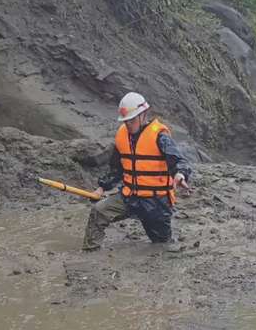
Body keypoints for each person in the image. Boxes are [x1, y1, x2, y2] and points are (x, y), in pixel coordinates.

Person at [82, 92, 192, 251]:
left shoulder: (160, 137)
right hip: (129, 197)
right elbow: (117, 169)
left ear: (143, 115)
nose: (128, 125)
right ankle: (89, 252)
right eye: (125, 121)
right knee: (99, 211)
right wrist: (102, 187)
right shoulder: (122, 137)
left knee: (161, 245)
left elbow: (179, 161)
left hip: (156, 203)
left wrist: (180, 174)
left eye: (132, 120)